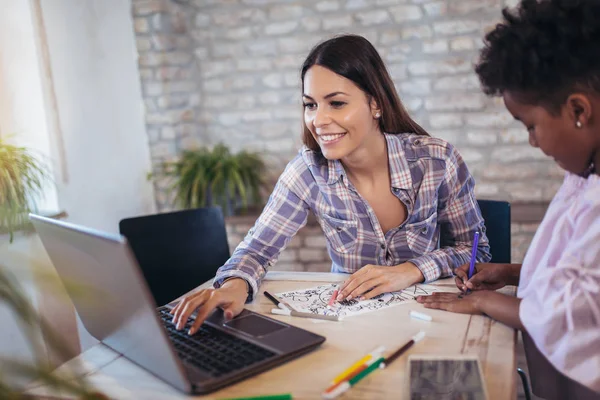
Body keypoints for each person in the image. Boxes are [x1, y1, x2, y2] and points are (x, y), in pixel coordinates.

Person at [172, 34, 490, 335]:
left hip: (430, 319)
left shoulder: (437, 160)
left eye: (336, 103)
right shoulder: (308, 171)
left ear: (376, 104)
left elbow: (475, 252)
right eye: (310, 104)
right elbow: (257, 248)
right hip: (350, 323)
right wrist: (234, 285)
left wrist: (410, 270)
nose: (319, 120)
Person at [416, 1, 600, 398]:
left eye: (531, 126)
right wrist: (512, 272)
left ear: (578, 110)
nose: (533, 141)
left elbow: (567, 316)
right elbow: (582, 276)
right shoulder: (584, 178)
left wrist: (484, 303)